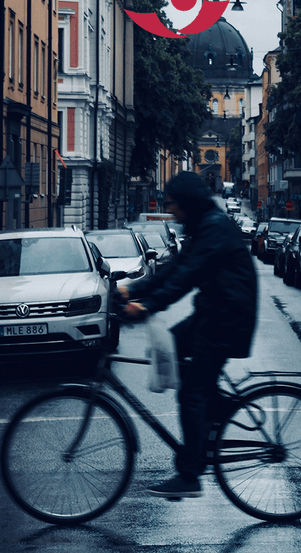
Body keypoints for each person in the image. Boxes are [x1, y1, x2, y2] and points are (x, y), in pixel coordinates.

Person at [119, 172, 258, 499]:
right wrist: (132, 290)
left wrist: (148, 306)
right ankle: (217, 405)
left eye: (173, 205)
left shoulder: (214, 228)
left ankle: (190, 474)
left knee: (191, 393)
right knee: (171, 350)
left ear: (188, 204)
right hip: (214, 313)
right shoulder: (203, 226)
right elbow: (174, 268)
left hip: (227, 319)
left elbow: (186, 276)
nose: (171, 211)